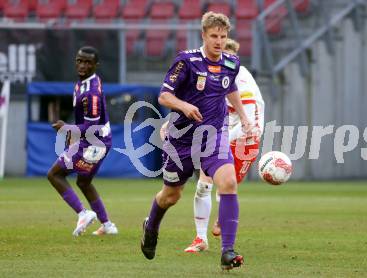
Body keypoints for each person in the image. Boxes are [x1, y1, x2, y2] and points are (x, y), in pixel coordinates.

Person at [140, 12, 251, 270]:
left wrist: (244, 117)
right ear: (203, 35)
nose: (219, 42)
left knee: (228, 182)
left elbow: (230, 88)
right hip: (182, 140)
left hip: (214, 136)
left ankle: (227, 252)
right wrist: (184, 106)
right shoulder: (186, 61)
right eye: (214, 36)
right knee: (171, 195)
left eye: (223, 37)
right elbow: (164, 97)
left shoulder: (231, 62)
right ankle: (151, 226)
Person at [183, 38, 265, 253]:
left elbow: (248, 119)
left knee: (226, 188)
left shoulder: (242, 79)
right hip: (221, 133)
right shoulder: (210, 76)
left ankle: (223, 231)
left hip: (245, 137)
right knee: (204, 183)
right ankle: (200, 238)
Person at [47, 46, 118, 236]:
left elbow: (91, 127)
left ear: (96, 65)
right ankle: (108, 225)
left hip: (95, 142)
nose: (83, 65)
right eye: (80, 61)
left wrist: (67, 128)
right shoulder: (85, 82)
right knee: (84, 182)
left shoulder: (91, 92)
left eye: (88, 62)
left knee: (54, 175)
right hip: (96, 141)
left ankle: (83, 213)